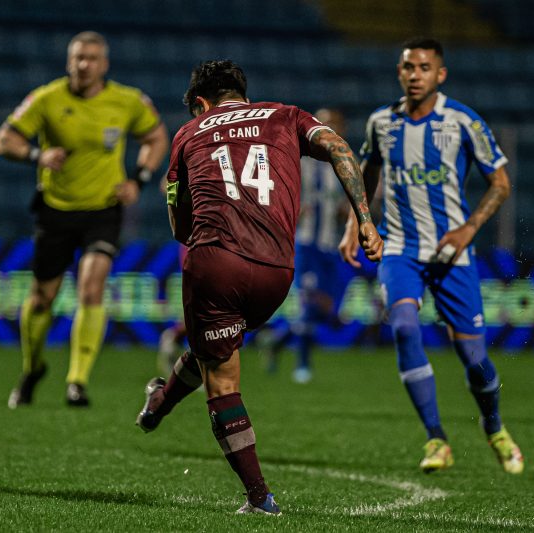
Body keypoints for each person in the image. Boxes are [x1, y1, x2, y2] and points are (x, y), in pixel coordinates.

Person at [135, 60, 383, 514]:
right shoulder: (285, 115)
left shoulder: (189, 134)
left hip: (218, 263)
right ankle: (158, 404)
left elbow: (178, 225)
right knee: (217, 347)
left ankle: (259, 498)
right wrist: (363, 220)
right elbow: (341, 149)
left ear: (201, 103)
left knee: (221, 376)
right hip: (277, 272)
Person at [339, 37, 524, 474]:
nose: (415, 75)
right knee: (403, 326)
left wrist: (468, 229)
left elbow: (500, 183)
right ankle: (436, 438)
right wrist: (355, 223)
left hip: (451, 252)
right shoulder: (381, 122)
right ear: (399, 72)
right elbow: (366, 175)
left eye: (424, 68)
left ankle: (494, 426)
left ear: (440, 74)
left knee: (475, 361)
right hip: (400, 247)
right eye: (408, 67)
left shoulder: (462, 121)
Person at [0, 31, 169, 408]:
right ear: (69, 61)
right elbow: (3, 140)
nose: (83, 64)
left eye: (91, 58)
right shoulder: (46, 98)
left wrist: (139, 178)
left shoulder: (127, 101)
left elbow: (156, 137)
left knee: (92, 287)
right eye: (77, 57)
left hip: (103, 210)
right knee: (43, 298)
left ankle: (77, 381)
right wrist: (36, 156)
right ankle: (32, 368)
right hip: (55, 209)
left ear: (104, 64)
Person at [259, 108, 350, 384]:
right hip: (306, 244)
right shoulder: (299, 162)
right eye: (324, 124)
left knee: (328, 310)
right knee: (310, 304)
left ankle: (277, 340)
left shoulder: (342, 165)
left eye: (334, 124)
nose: (328, 129)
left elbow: (345, 208)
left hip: (330, 246)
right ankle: (302, 365)